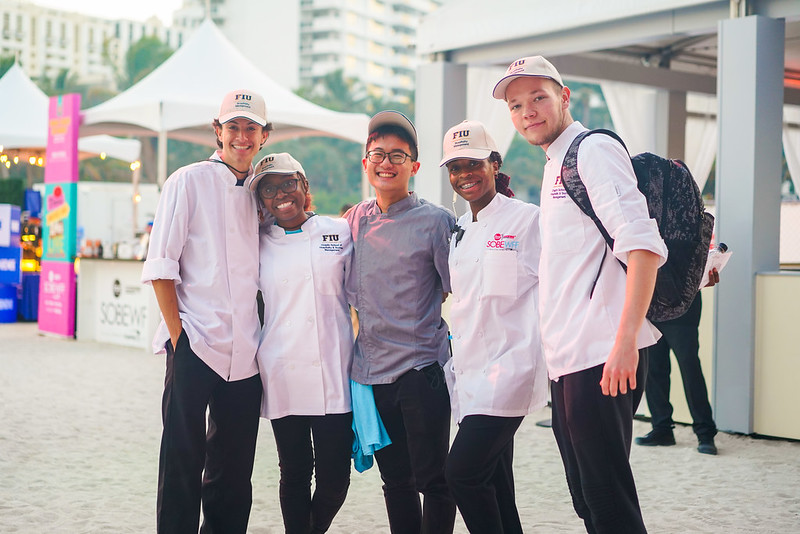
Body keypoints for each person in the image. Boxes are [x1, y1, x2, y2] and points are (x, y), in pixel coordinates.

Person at [495, 56, 668, 533]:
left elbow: (642, 247)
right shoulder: (556, 163)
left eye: (538, 98)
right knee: (587, 497)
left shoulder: (592, 151)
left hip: (602, 352)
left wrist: (625, 341)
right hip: (569, 356)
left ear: (564, 97)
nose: (528, 111)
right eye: (516, 105)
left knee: (607, 497)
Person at [141, 89, 270, 533]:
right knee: (182, 459)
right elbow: (161, 266)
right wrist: (181, 339)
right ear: (217, 131)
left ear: (264, 136)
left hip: (247, 355)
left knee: (234, 472)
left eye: (250, 128)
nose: (241, 136)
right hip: (196, 342)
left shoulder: (263, 191)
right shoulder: (186, 180)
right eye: (232, 126)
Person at [344, 110, 457, 533]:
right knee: (395, 482)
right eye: (378, 154)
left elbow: (454, 287)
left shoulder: (435, 222)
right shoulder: (353, 220)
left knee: (435, 480)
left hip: (420, 371)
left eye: (397, 155)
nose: (386, 163)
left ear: (414, 166)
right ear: (365, 162)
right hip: (371, 375)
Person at [439, 120, 549, 533]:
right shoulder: (460, 229)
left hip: (511, 369)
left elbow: (575, 269)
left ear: (495, 163)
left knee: (462, 475)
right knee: (496, 482)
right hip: (469, 375)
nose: (464, 175)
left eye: (473, 163)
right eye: (455, 167)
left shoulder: (530, 221)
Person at [250, 152, 354, 533]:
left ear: (304, 186)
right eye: (269, 190)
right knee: (293, 473)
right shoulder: (256, 243)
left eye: (288, 184)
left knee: (334, 481)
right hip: (282, 369)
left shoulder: (339, 231)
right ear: (261, 201)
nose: (281, 195)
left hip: (333, 367)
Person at [636, 275, 719, 455]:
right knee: (653, 369)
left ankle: (705, 434)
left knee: (690, 369)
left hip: (684, 307)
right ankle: (661, 429)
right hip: (652, 304)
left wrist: (707, 274)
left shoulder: (693, 243)